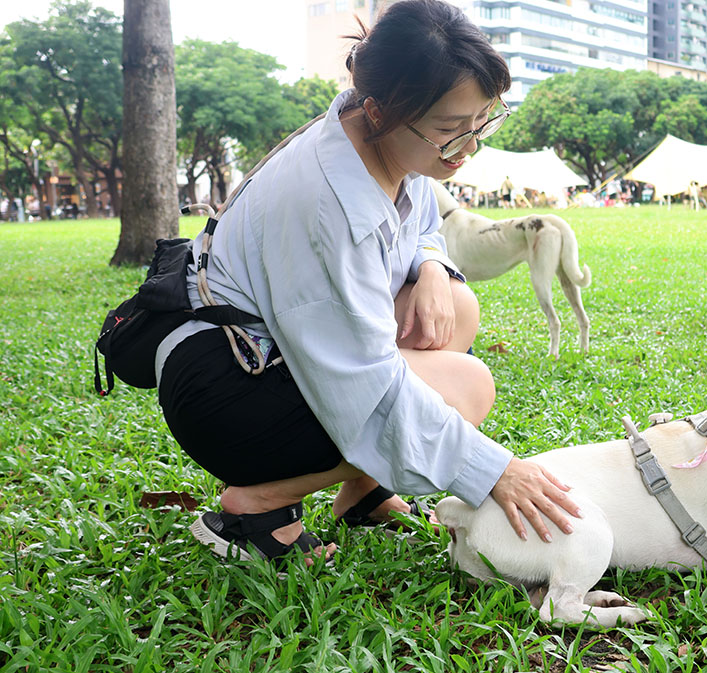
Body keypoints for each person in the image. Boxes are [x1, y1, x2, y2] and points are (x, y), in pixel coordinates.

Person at [159, 0, 580, 567]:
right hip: (228, 388)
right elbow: (363, 382)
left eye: (482, 122)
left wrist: (432, 265)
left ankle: (362, 488)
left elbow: (424, 221)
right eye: (450, 130)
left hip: (271, 352)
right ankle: (253, 507)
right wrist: (496, 471)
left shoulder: (376, 139)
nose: (469, 146)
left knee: (454, 303)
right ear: (381, 109)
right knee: (468, 387)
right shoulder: (326, 204)